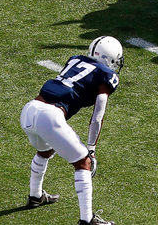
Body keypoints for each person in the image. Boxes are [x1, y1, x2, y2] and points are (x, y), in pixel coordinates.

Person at [19, 35, 123, 225]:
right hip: (49, 115)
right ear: (110, 59)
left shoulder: (75, 59)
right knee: (84, 162)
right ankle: (87, 220)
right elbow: (98, 115)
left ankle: (35, 196)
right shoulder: (106, 76)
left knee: (45, 150)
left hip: (29, 110)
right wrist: (91, 149)